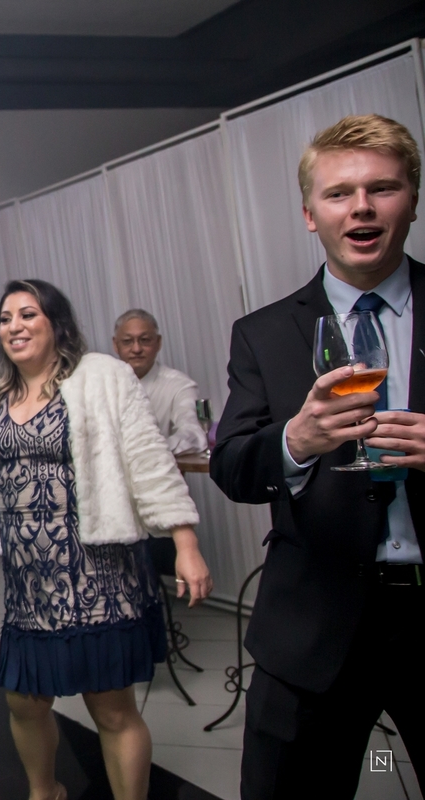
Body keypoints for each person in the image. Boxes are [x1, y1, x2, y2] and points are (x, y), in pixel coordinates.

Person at [211, 114, 423, 799]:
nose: (361, 206)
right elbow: (231, 465)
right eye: (338, 193)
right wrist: (295, 442)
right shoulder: (263, 333)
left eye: (382, 188)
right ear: (310, 214)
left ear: (411, 200)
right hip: (310, 626)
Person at [0, 279, 213, 800]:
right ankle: (44, 792)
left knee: (111, 708)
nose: (14, 326)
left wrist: (185, 543)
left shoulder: (101, 376)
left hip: (99, 573)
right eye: (5, 318)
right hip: (30, 581)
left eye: (28, 314)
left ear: (56, 323)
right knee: (23, 700)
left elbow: (149, 459)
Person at [112, 309, 208, 455]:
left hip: (158, 464)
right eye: (127, 341)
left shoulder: (180, 385)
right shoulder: (101, 385)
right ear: (115, 345)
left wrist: (152, 450)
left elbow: (194, 434)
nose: (136, 349)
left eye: (145, 340)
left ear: (158, 342)